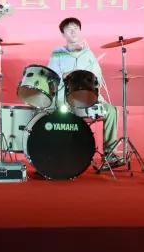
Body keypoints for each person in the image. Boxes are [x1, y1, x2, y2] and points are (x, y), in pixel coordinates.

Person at [47, 17, 120, 165]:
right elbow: (51, 77)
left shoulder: (88, 54)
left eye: (76, 28)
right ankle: (59, 156)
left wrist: (88, 78)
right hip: (65, 100)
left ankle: (110, 155)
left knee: (111, 111)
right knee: (56, 114)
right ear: (63, 34)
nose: (73, 31)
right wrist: (65, 75)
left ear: (80, 31)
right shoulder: (57, 54)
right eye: (69, 29)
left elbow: (98, 78)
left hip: (88, 99)